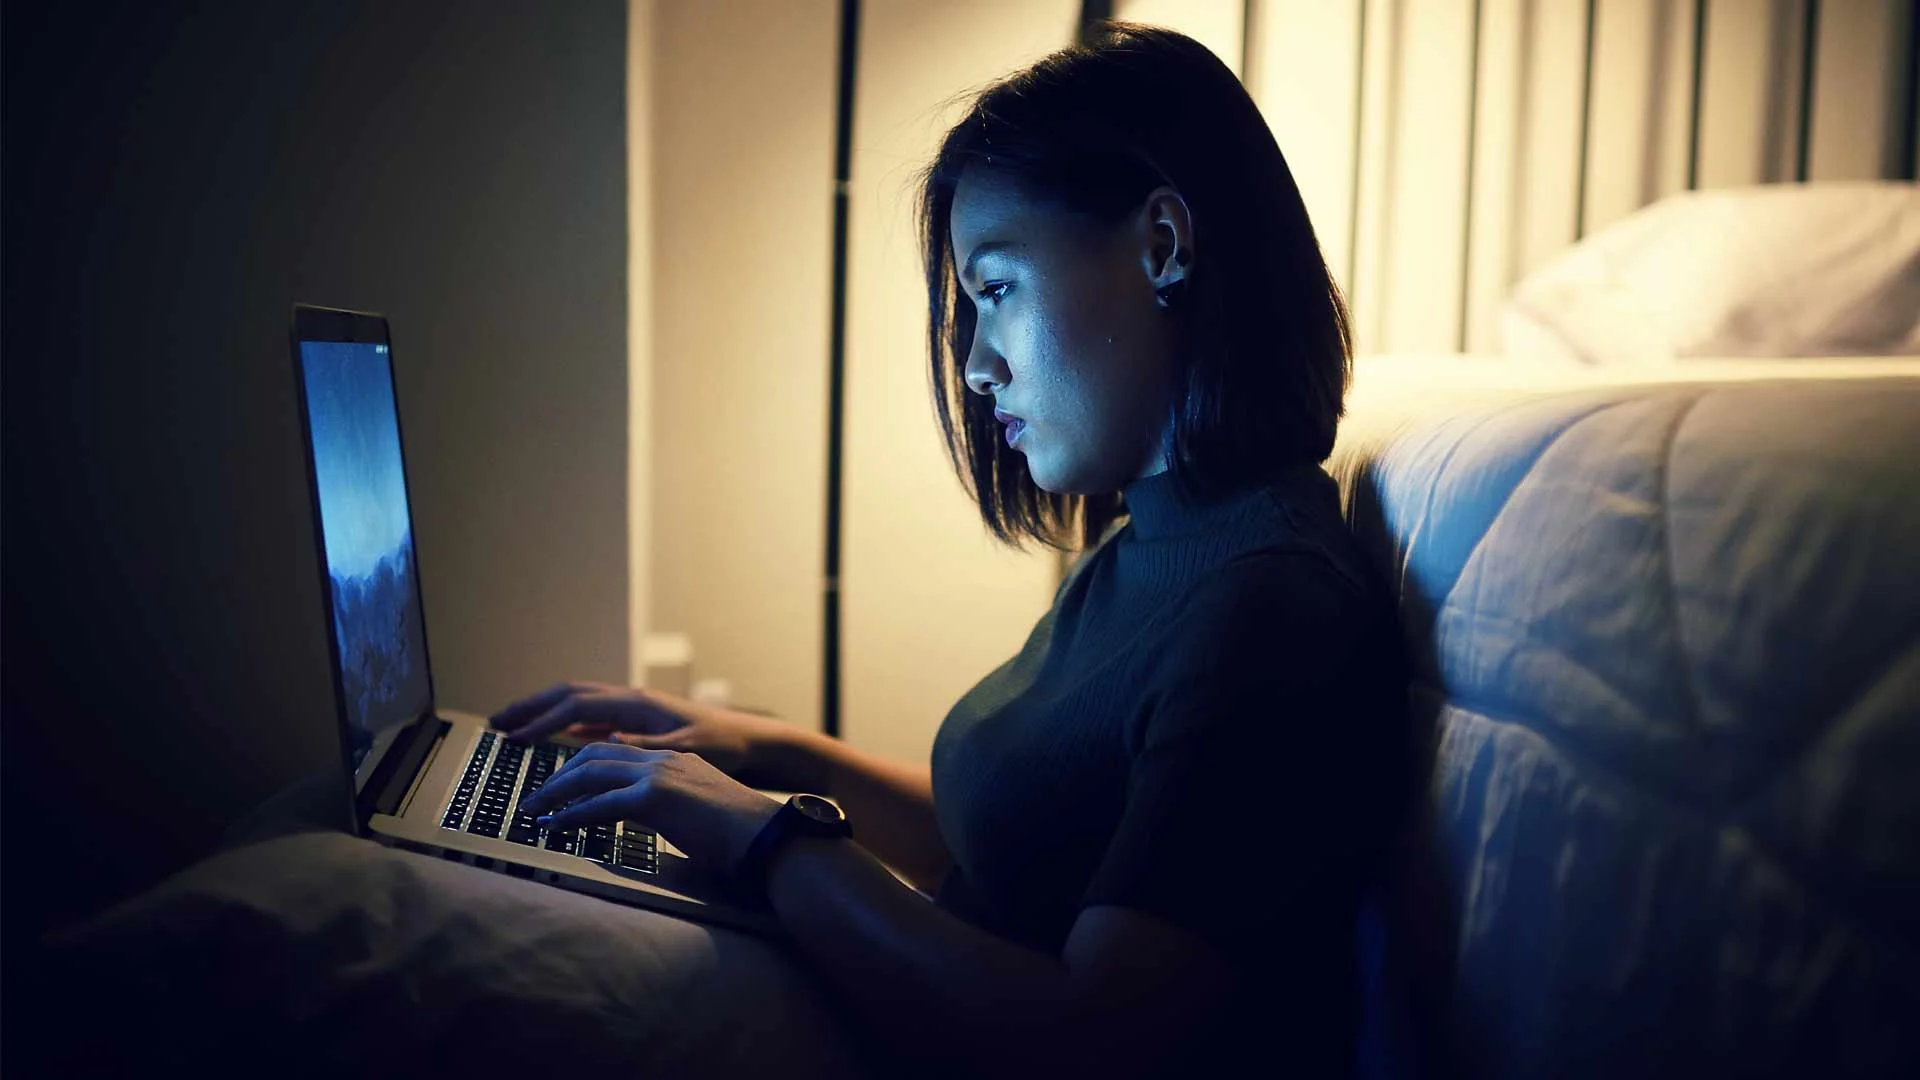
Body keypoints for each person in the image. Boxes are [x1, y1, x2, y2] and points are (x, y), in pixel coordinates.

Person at [497, 23, 1411, 1080]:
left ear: (1163, 245)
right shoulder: (1159, 543)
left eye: (997, 289)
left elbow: (1093, 1041)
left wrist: (770, 840)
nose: (975, 365)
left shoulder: (1269, 612)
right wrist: (753, 751)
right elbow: (1022, 847)